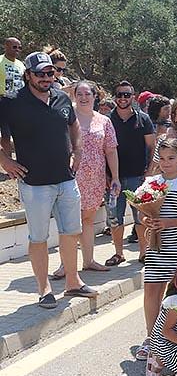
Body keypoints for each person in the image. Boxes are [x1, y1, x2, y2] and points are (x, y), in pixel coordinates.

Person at [0, 51, 97, 309]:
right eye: (39, 73)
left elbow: (74, 125)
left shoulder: (62, 98)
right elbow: (2, 136)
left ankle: (73, 282)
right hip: (34, 183)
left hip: (66, 179)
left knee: (71, 232)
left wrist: (77, 151)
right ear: (28, 75)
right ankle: (44, 289)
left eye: (50, 72)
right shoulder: (11, 102)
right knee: (39, 237)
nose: (45, 78)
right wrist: (5, 161)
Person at [138, 138, 177, 361]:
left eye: (171, 158)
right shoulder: (151, 183)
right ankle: (151, 337)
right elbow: (141, 211)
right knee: (151, 290)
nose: (166, 163)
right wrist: (147, 220)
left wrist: (169, 223)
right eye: (162, 158)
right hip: (157, 247)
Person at [50, 81, 120, 278]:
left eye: (87, 93)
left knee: (88, 220)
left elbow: (111, 150)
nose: (83, 97)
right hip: (70, 176)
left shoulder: (104, 121)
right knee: (70, 222)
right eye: (79, 94)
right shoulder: (65, 117)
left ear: (95, 96)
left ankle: (88, 261)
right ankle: (66, 265)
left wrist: (115, 176)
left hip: (95, 178)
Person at [106, 80, 155, 268]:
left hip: (138, 177)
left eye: (127, 94)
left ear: (133, 97)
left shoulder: (143, 119)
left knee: (140, 217)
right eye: (119, 94)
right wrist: (106, 176)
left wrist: (148, 172)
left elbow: (151, 146)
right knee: (114, 218)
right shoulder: (107, 120)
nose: (123, 98)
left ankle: (144, 252)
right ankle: (118, 253)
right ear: (115, 97)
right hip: (113, 179)